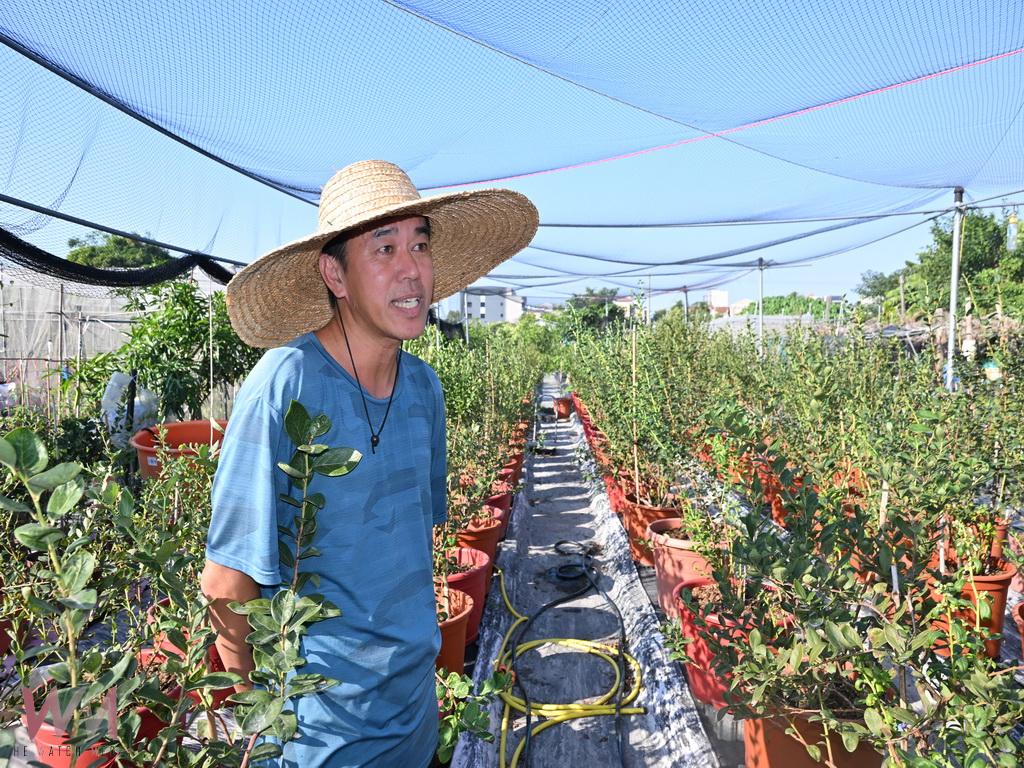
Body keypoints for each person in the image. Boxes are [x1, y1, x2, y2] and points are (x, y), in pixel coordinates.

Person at [201, 160, 537, 767]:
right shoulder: (286, 384)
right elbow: (227, 583)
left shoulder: (423, 389)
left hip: (415, 715)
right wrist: (265, 722)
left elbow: (408, 549)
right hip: (321, 740)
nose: (412, 269)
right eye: (384, 248)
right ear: (335, 274)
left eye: (421, 245)